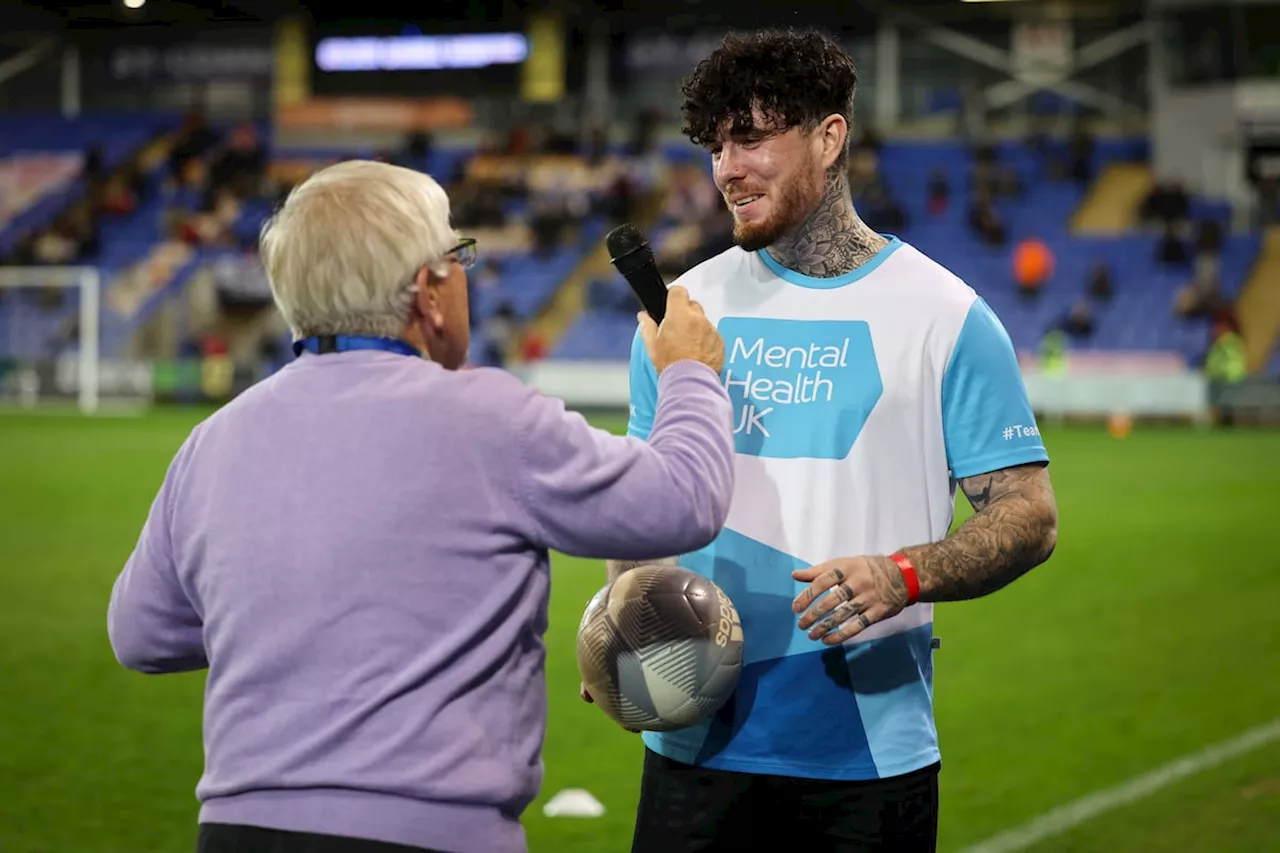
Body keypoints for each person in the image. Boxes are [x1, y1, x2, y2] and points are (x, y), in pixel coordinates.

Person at [106, 159, 736, 853]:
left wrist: (292, 615)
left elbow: (140, 634)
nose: (466, 270)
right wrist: (687, 371)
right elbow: (685, 499)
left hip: (237, 828)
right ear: (428, 292)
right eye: (457, 254)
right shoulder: (491, 419)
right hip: (433, 832)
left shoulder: (215, 438)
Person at [607, 29, 1059, 852]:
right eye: (716, 145)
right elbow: (645, 514)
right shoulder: (683, 311)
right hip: (691, 750)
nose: (727, 168)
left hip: (867, 760)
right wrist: (622, 623)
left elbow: (1030, 516)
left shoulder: (945, 316)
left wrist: (904, 574)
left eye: (751, 137)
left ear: (829, 136)